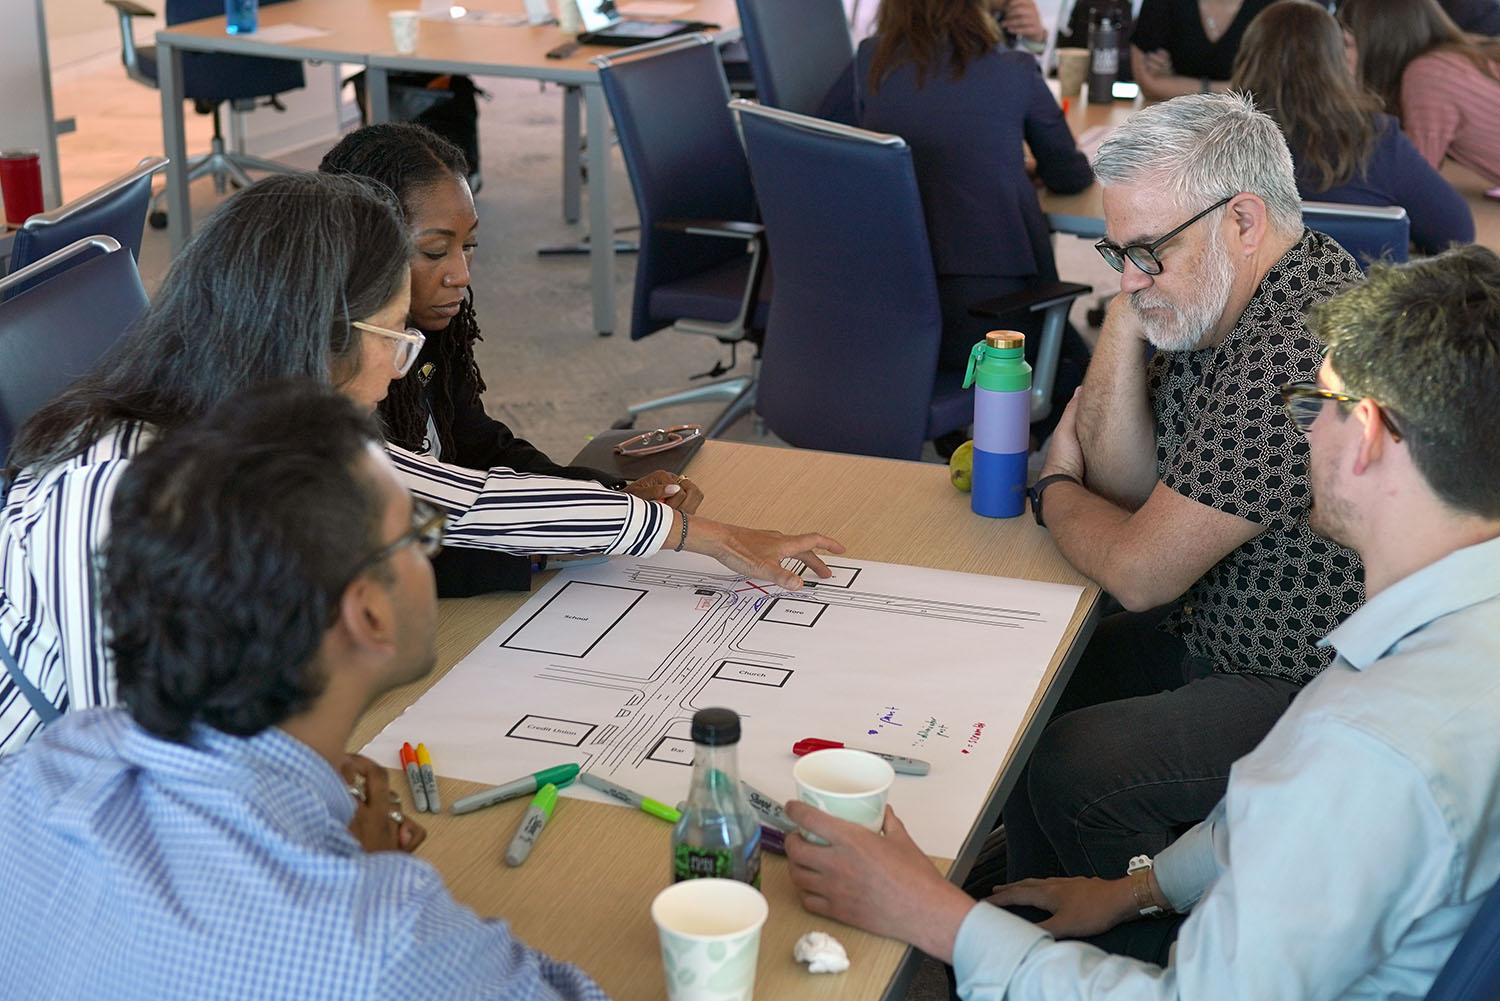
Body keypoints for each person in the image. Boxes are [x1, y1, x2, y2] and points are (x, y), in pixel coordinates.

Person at [783, 241, 1500, 998]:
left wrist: (933, 915)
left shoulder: (1363, 747)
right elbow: (1274, 829)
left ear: (1367, 438)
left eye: (1315, 402)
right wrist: (1137, 890)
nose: (1306, 428)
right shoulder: (1441, 643)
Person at [0, 173, 843, 757]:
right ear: (313, 333)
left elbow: (469, 500)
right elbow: (110, 760)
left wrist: (698, 533)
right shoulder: (113, 488)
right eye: (397, 339)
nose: (405, 368)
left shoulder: (267, 422)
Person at [0, 381, 611, 999]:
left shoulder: (53, 762)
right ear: (369, 615)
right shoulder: (387, 944)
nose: (429, 553)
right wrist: (372, 886)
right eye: (415, 537)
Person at [1003, 92, 1365, 885]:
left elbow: (1138, 568)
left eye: (1147, 251)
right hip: (1216, 629)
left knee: (1075, 761)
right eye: (1116, 254)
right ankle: (1029, 917)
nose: (1130, 279)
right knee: (1029, 684)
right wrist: (1134, 310)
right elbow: (1129, 489)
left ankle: (1144, 948)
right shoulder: (1220, 294)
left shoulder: (1295, 349)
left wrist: (1054, 487)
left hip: (1312, 679)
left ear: (1242, 221)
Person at [319, 122, 698, 597]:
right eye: (435, 250)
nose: (460, 274)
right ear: (362, 249)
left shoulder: (434, 323)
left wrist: (607, 497)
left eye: (469, 245)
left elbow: (478, 444)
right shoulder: (329, 379)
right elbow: (388, 549)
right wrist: (552, 542)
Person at [853, 0, 1095, 421]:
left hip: (887, 316)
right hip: (991, 328)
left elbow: (832, 147)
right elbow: (1069, 175)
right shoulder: (1012, 68)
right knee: (1081, 370)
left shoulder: (870, 60)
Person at [1232, 0, 1474, 255]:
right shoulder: (1376, 138)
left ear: (1248, 57)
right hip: (1357, 293)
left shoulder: (1214, 136)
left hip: (1249, 294)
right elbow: (1457, 235)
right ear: (1336, 63)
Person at [1340, 0, 1500, 185]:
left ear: (1380, 42)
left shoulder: (1427, 76)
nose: (1343, 57)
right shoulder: (1460, 54)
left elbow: (1413, 177)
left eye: (1348, 44)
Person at [1130, 0, 1275, 99]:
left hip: (1252, 127)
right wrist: (1234, 88)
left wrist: (1174, 84)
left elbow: (1268, 91)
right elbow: (1147, 83)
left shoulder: (1274, 7)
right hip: (1174, 122)